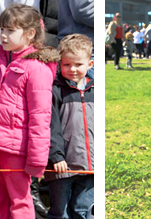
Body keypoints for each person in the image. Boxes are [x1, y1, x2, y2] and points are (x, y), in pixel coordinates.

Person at [0, 4, 54, 219]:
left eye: (10, 30)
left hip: (16, 151)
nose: (3, 35)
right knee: (0, 201)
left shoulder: (36, 68)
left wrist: (37, 160)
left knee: (20, 202)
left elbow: (41, 117)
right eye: (1, 29)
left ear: (29, 34)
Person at [48, 33, 95, 219]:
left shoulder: (95, 90)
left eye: (78, 64)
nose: (72, 69)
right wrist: (56, 156)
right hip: (62, 166)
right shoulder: (55, 90)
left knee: (83, 211)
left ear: (90, 65)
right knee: (60, 212)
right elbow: (51, 126)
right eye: (67, 64)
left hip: (90, 167)